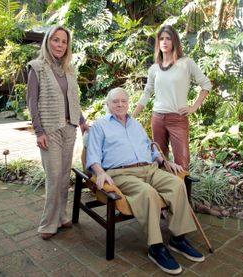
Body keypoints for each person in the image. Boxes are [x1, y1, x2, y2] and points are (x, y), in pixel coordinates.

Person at [87, 87, 204, 275]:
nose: (120, 104)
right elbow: (92, 155)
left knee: (176, 184)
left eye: (123, 101)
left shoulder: (136, 124)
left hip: (149, 168)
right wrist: (99, 172)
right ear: (108, 105)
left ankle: (178, 239)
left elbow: (150, 148)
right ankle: (156, 247)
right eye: (115, 101)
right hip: (122, 173)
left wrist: (164, 161)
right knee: (147, 193)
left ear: (128, 104)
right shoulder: (100, 126)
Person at [27, 26, 88, 240]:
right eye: (56, 40)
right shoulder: (37, 67)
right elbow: (32, 102)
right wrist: (38, 131)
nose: (60, 45)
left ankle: (61, 217)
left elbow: (74, 99)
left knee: (63, 177)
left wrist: (81, 122)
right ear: (47, 41)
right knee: (53, 178)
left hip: (69, 129)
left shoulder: (69, 70)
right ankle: (48, 223)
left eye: (64, 41)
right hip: (50, 130)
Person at [133, 25, 212, 170]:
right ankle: (163, 191)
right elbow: (147, 93)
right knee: (159, 160)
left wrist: (193, 107)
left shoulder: (186, 63)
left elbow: (206, 84)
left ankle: (183, 192)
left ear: (174, 41)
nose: (164, 42)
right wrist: (132, 116)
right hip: (157, 119)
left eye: (168, 38)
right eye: (161, 39)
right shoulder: (154, 69)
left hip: (178, 119)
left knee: (182, 163)